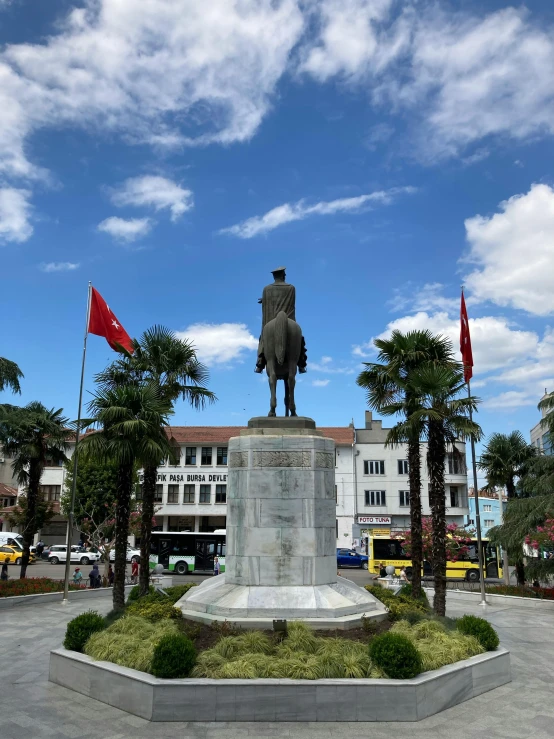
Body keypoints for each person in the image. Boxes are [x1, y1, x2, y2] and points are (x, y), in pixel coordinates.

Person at [254, 267, 308, 374]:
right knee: (299, 338)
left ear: (274, 276)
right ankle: (301, 364)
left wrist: (265, 300)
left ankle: (260, 362)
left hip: (271, 319)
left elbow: (268, 306)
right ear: (284, 275)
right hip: (289, 318)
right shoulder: (291, 288)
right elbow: (291, 305)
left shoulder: (267, 289)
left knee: (263, 338)